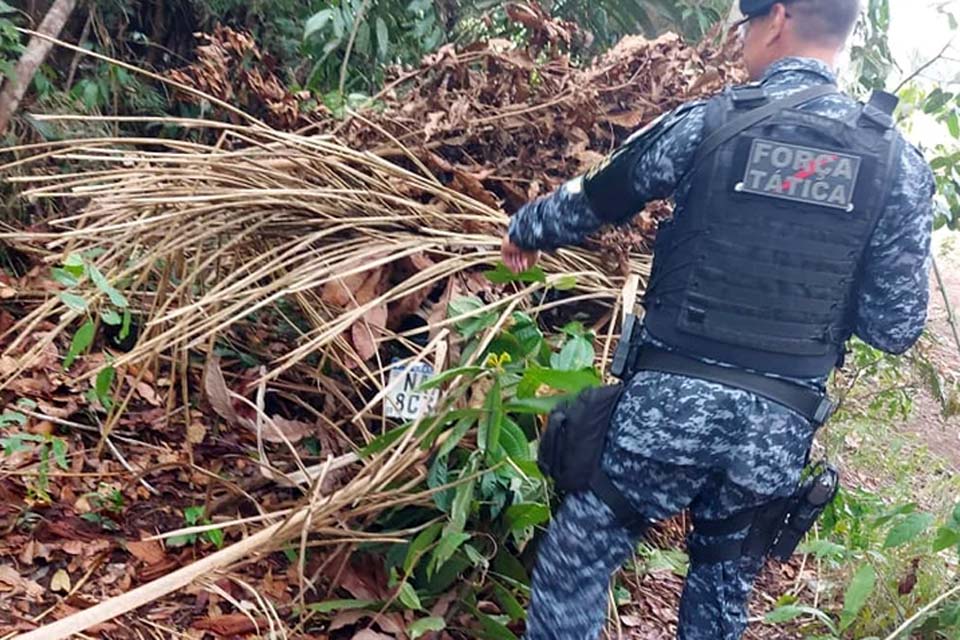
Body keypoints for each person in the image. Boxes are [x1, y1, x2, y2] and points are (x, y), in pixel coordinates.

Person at [501, 0, 936, 638]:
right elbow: (895, 327)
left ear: (778, 19)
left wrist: (527, 227)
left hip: (666, 409)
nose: (740, 42)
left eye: (745, 26)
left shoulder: (712, 122)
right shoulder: (899, 165)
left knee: (580, 557)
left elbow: (602, 195)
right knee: (723, 586)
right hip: (776, 429)